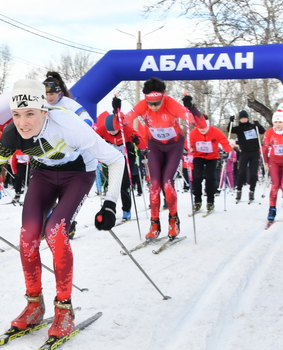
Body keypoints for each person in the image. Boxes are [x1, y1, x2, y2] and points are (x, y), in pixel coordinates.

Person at [0, 77, 124, 338]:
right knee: (28, 236)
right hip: (44, 174)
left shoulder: (69, 125)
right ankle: (33, 305)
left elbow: (116, 160)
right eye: (16, 114)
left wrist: (109, 205)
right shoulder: (12, 133)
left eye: (30, 114)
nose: (23, 122)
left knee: (55, 231)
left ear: (44, 111)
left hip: (78, 174)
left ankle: (64, 307)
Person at [121, 79, 205, 240]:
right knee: (154, 184)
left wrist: (192, 107)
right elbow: (121, 122)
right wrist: (116, 110)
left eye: (157, 103)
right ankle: (154, 223)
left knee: (167, 183)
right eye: (150, 103)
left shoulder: (171, 104)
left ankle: (173, 220)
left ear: (163, 97)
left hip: (174, 145)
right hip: (155, 145)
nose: (153, 107)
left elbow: (199, 124)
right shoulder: (142, 105)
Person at [95, 106, 141, 221]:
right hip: (112, 159)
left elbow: (140, 141)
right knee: (113, 185)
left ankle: (126, 209)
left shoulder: (126, 128)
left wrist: (136, 140)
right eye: (109, 131)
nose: (111, 133)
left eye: (113, 131)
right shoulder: (102, 129)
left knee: (124, 185)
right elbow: (93, 138)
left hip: (126, 159)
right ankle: (110, 210)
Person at [187, 115, 231, 213]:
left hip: (212, 157)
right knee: (197, 177)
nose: (202, 130)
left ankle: (210, 201)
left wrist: (227, 151)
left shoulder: (215, 131)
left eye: (204, 127)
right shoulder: (193, 133)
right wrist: (187, 149)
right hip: (198, 156)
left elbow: (224, 142)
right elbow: (188, 144)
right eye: (200, 127)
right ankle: (197, 201)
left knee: (209, 177)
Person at [229, 110, 265, 204]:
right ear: (240, 119)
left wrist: (258, 124)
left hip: (254, 152)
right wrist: (230, 122)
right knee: (241, 172)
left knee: (253, 173)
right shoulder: (239, 128)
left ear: (248, 118)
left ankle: (252, 191)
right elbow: (230, 130)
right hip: (244, 152)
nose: (243, 120)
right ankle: (239, 190)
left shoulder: (253, 126)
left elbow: (262, 131)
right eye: (242, 118)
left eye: (245, 118)